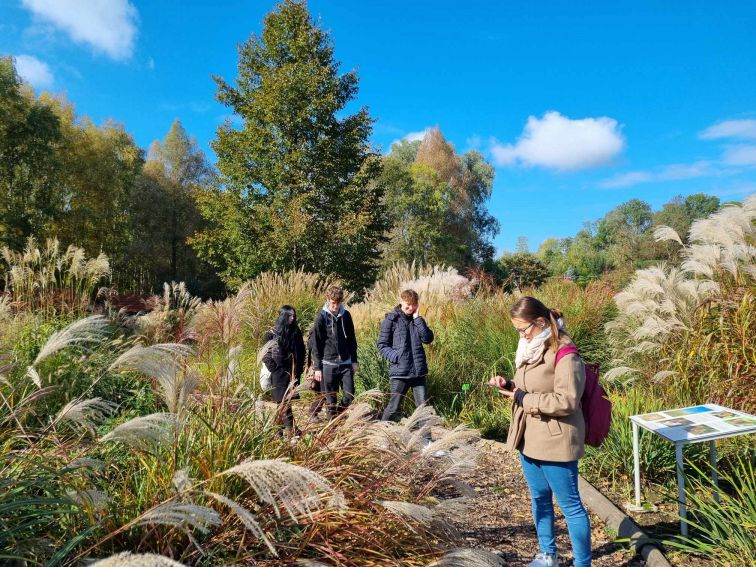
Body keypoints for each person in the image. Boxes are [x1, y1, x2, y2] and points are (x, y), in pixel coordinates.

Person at [489, 296, 591, 567]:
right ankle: (547, 555)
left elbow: (568, 400)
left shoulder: (565, 352)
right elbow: (531, 386)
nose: (521, 335)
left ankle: (583, 563)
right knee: (539, 499)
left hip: (556, 440)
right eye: (518, 331)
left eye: (523, 329)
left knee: (571, 508)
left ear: (541, 322)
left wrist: (523, 398)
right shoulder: (531, 347)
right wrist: (510, 384)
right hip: (530, 438)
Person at [378, 289, 435, 424]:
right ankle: (381, 435)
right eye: (407, 305)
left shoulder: (418, 320)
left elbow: (428, 338)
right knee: (393, 407)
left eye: (414, 305)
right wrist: (397, 357)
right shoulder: (391, 320)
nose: (410, 308)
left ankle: (426, 441)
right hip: (400, 373)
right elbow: (382, 345)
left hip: (418, 373)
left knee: (423, 408)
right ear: (401, 302)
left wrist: (418, 319)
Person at [310, 286, 358, 419]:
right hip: (328, 362)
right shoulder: (321, 317)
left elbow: (352, 339)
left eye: (338, 303)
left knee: (349, 395)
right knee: (330, 398)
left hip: (345, 362)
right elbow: (316, 344)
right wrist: (317, 368)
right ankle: (332, 425)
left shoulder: (346, 316)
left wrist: (354, 360)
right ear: (327, 299)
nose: (335, 306)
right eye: (333, 303)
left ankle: (338, 413)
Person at [262, 305, 305, 439]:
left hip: (292, 373)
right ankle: (292, 431)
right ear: (282, 316)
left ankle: (278, 433)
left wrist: (298, 371)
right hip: (278, 374)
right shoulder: (271, 334)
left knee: (282, 404)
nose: (292, 318)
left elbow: (302, 352)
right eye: (289, 315)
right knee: (283, 403)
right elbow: (265, 355)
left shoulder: (296, 332)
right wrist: (274, 368)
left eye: (293, 315)